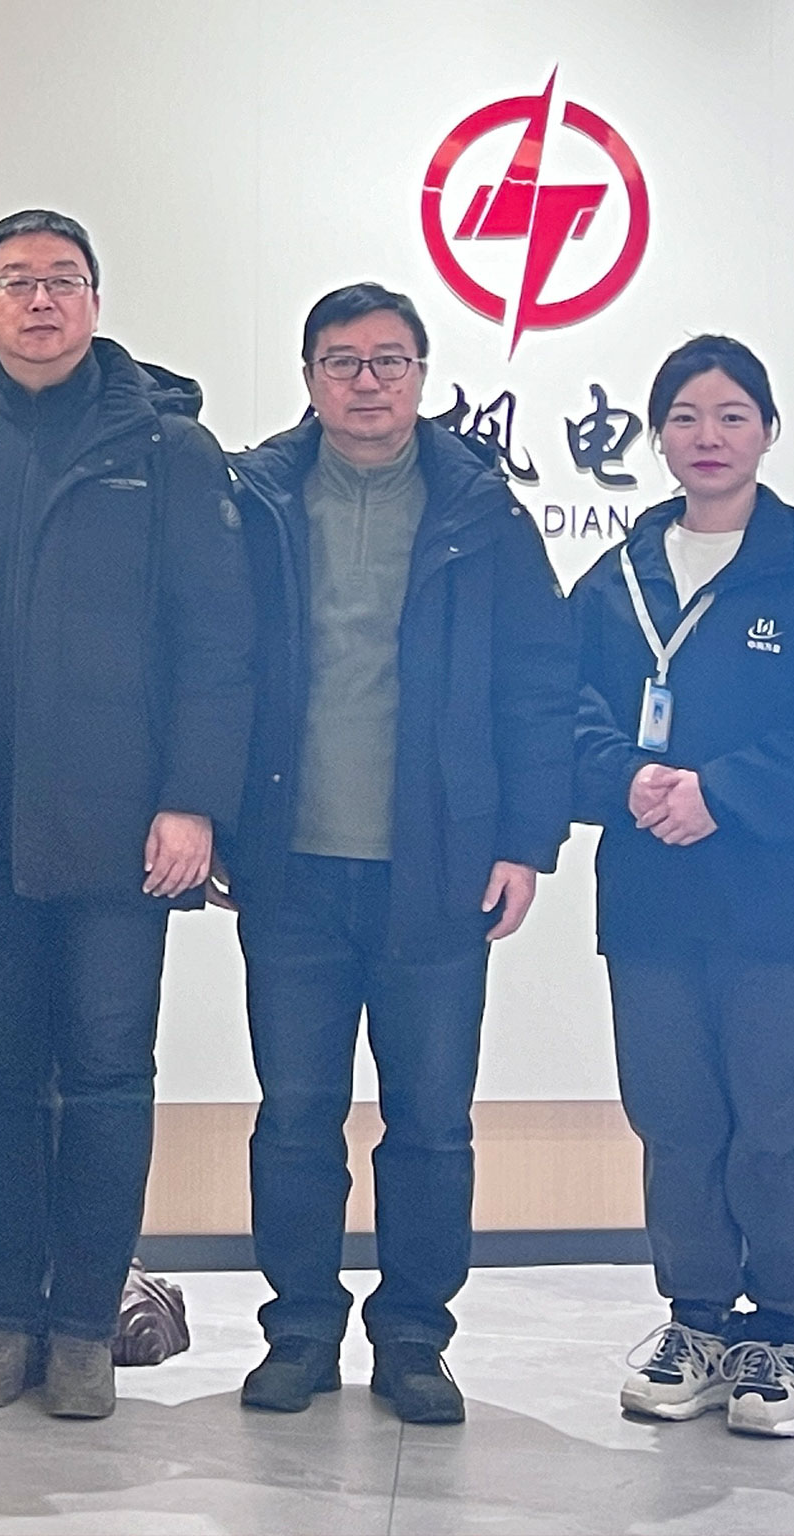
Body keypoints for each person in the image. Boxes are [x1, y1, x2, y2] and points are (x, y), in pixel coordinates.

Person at [0, 207, 254, 1421]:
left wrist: (194, 802)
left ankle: (86, 1325)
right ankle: (6, 1321)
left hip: (121, 832)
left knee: (104, 1076)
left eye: (63, 280)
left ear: (95, 302)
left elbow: (218, 641)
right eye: (17, 282)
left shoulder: (166, 448)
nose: (40, 301)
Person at [223, 283, 574, 1426]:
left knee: (429, 1120)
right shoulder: (257, 500)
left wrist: (525, 840)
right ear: (309, 378)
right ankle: (300, 1329)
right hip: (292, 865)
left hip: (438, 867)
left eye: (389, 360)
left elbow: (538, 683)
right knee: (295, 1115)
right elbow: (212, 669)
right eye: (342, 361)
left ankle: (416, 1335)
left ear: (422, 375)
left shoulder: (481, 510)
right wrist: (217, 820)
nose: (366, 381)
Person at [576, 334, 794, 1442]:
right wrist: (627, 779)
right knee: (675, 1116)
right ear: (659, 438)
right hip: (651, 898)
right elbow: (564, 714)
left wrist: (722, 794)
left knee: (780, 1117)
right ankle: (698, 1320)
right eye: (686, 418)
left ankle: (783, 1334)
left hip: (779, 900)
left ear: (767, 431)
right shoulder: (615, 580)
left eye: (731, 416)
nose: (708, 437)